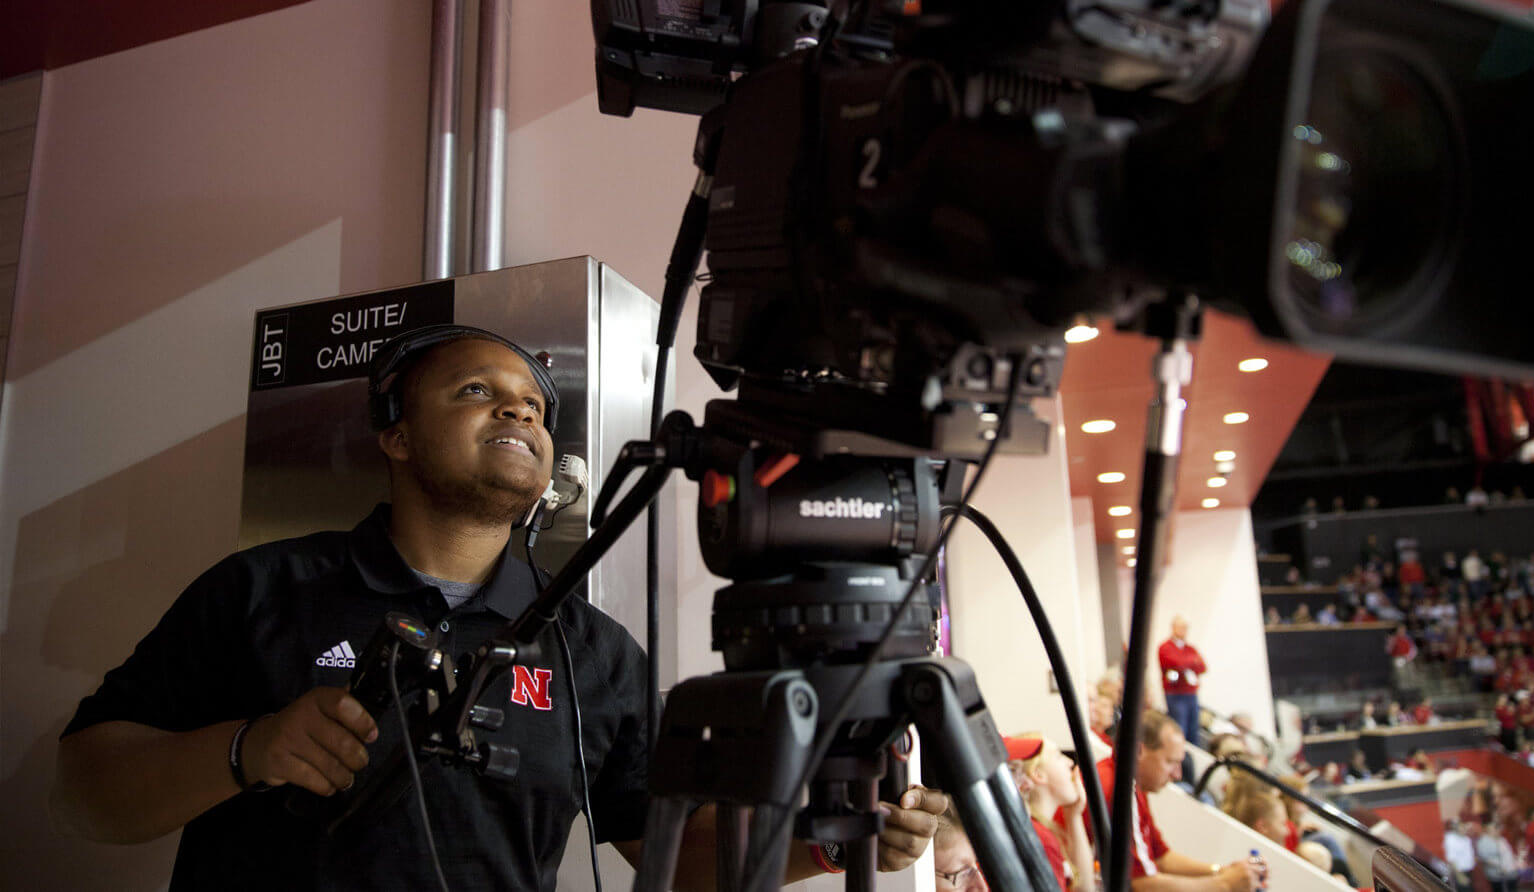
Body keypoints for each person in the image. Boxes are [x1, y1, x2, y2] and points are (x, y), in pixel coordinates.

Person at [49, 326, 944, 891]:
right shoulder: (259, 590)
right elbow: (87, 791)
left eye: (532, 404)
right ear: (394, 435)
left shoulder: (592, 652)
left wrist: (824, 848)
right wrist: (246, 749)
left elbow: (674, 855)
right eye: (477, 391)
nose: (517, 406)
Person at [1092, 711, 1267, 891]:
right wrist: (1226, 884)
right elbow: (1142, 884)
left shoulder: (1131, 784)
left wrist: (1224, 872)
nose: (1178, 774)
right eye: (1171, 762)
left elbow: (1161, 858)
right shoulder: (1117, 789)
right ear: (1138, 751)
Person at [1005, 735, 1094, 890]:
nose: (1070, 762)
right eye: (1058, 756)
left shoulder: (1041, 830)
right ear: (1038, 775)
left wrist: (1073, 816)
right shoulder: (1040, 838)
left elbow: (1084, 887)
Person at [1158, 616, 1207, 747]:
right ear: (1173, 628)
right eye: (1181, 627)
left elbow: (1202, 666)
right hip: (1175, 695)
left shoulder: (1190, 648)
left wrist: (1185, 663)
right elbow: (1176, 663)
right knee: (1180, 729)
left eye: (1185, 628)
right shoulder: (1165, 647)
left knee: (1193, 730)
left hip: (1191, 694)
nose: (1184, 630)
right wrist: (1191, 662)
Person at [1443, 819, 1476, 892]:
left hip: (1469, 871)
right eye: (1462, 827)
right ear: (1455, 828)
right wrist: (1460, 876)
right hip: (1459, 873)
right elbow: (1451, 860)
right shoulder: (1450, 839)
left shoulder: (1466, 838)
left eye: (1465, 827)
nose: (1465, 829)